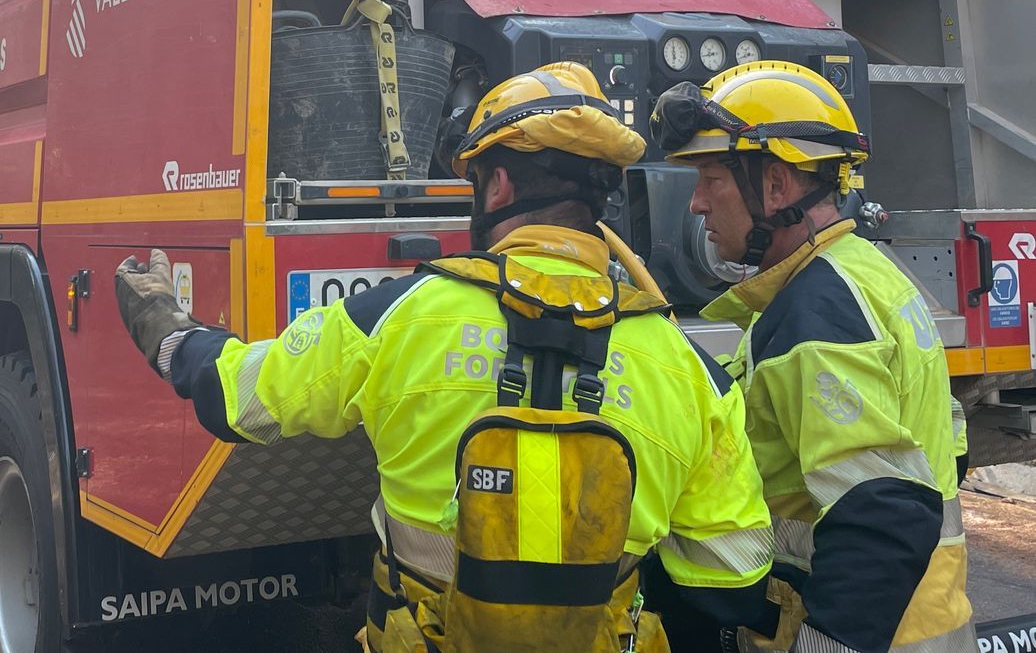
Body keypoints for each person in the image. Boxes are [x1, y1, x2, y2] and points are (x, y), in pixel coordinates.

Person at [116, 63, 773, 651]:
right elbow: (728, 571)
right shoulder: (690, 374)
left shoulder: (397, 319)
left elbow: (233, 397)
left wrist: (168, 330)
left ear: (497, 187)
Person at [654, 61, 975, 653]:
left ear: (775, 186)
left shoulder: (816, 312)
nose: (697, 203)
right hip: (924, 620)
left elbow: (880, 512)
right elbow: (948, 443)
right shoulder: (866, 274)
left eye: (710, 178)